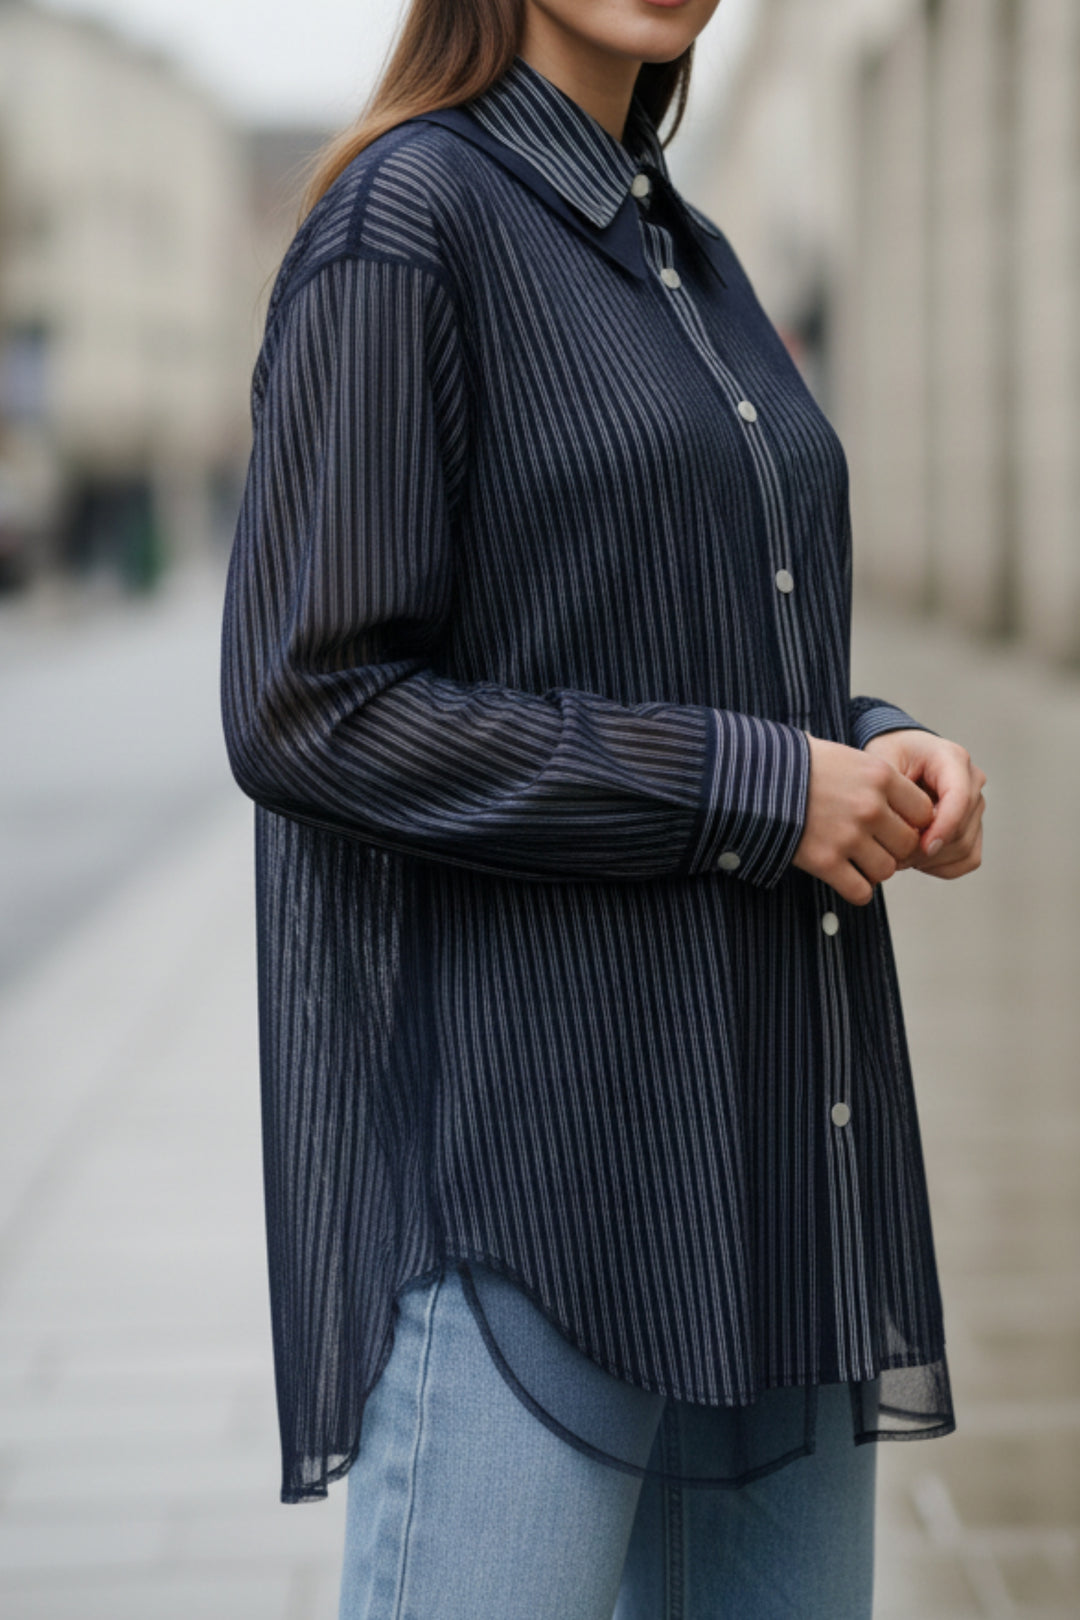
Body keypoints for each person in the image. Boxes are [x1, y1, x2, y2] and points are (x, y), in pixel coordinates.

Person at [219, 0, 988, 1615]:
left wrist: (867, 744)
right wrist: (754, 787)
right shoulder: (409, 220)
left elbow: (665, 632)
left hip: (775, 1164)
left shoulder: (686, 253)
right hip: (539, 1178)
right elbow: (312, 704)